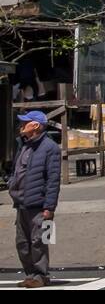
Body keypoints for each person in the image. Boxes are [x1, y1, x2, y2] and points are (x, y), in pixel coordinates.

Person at [9, 110, 61, 287]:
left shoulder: (50, 147)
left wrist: (50, 207)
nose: (22, 126)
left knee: (40, 241)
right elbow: (15, 171)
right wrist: (11, 184)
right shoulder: (24, 145)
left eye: (26, 122)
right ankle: (30, 274)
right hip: (21, 204)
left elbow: (53, 180)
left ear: (36, 126)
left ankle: (41, 275)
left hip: (39, 206)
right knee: (22, 243)